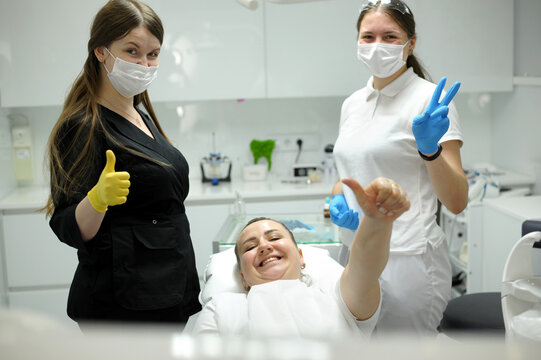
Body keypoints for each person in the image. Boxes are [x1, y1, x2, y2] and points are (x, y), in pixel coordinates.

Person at [44, 0, 201, 326]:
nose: (144, 63)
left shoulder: (139, 114)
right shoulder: (82, 127)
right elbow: (66, 225)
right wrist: (97, 199)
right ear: (101, 51)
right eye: (132, 51)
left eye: (153, 54)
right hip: (124, 305)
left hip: (166, 289)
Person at [329, 0, 468, 336]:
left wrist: (430, 149)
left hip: (408, 259)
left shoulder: (430, 101)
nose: (377, 46)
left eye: (390, 36)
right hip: (356, 252)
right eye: (368, 36)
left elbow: (457, 200)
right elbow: (348, 174)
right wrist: (337, 200)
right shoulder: (353, 105)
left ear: (411, 43)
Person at [192, 177, 410, 337]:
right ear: (242, 276)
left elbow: (365, 268)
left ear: (301, 256)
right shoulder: (223, 308)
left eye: (274, 237)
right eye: (250, 247)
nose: (264, 246)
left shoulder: (335, 297)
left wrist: (377, 222)